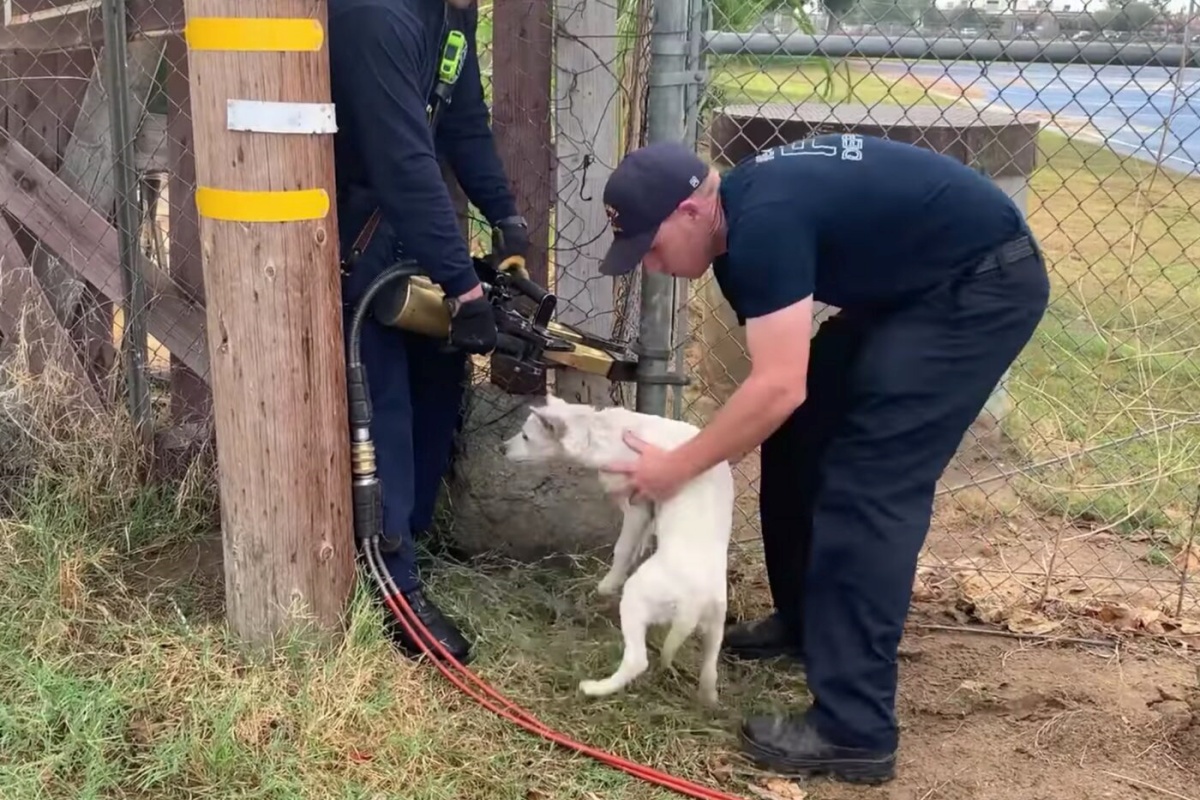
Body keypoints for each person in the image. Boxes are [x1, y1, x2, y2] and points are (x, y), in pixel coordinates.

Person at [600, 135, 1050, 784]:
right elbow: (782, 397)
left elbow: (778, 384)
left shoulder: (763, 227)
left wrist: (679, 465)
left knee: (869, 486)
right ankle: (807, 623)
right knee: (800, 436)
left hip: (980, 284)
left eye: (652, 245)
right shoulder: (737, 237)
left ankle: (855, 730)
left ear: (692, 212)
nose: (653, 266)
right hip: (915, 288)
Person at [328, 0, 528, 665]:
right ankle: (392, 586)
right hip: (357, 223)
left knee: (441, 373)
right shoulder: (374, 16)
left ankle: (407, 533)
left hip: (402, 226)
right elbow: (403, 160)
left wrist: (505, 218)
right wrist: (464, 287)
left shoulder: (450, 14)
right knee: (381, 401)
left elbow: (463, 122)